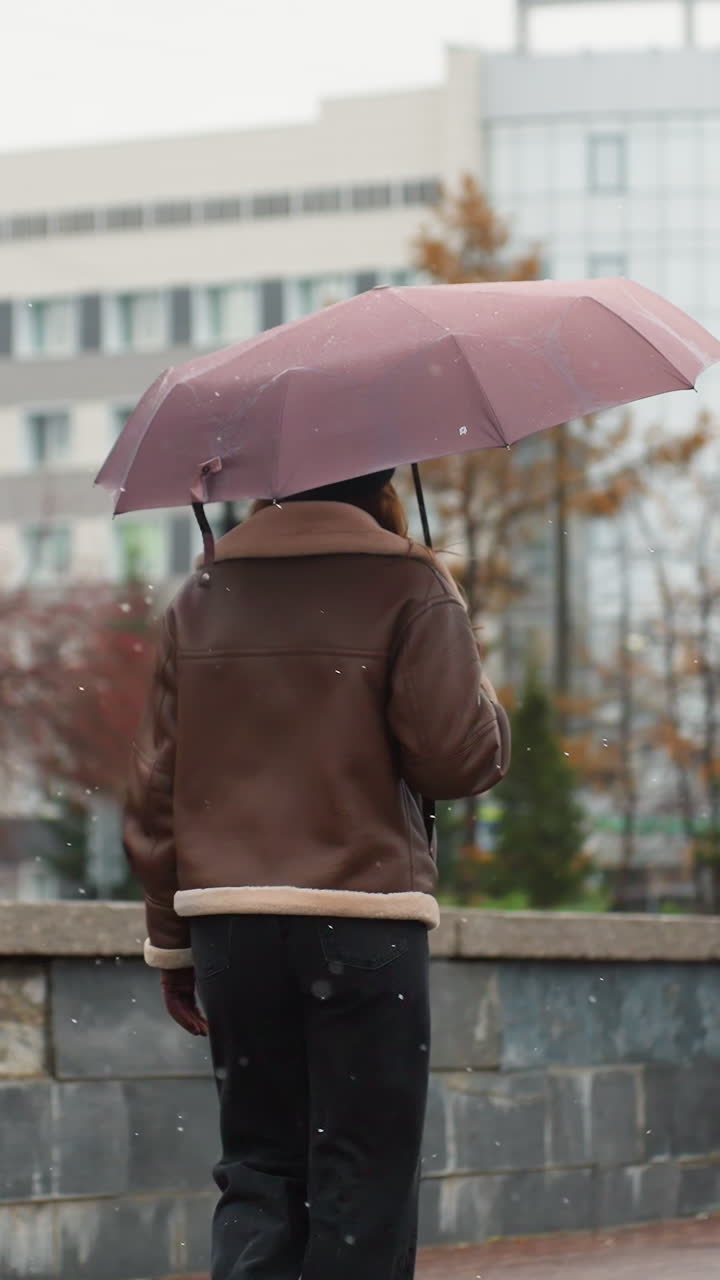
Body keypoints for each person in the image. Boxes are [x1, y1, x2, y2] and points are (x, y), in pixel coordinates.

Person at [123, 468, 510, 1280]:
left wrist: (173, 942)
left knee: (260, 1171)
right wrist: (470, 673)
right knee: (363, 1181)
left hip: (231, 928)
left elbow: (156, 789)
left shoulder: (202, 595)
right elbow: (455, 760)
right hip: (364, 920)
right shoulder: (409, 585)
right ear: (381, 477)